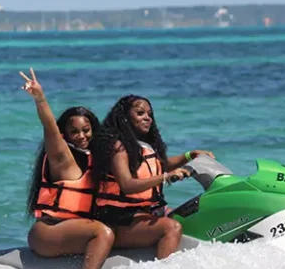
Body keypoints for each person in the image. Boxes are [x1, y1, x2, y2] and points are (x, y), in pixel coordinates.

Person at [91, 94, 214, 260]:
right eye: (140, 113)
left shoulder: (142, 145)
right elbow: (127, 185)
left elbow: (161, 166)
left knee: (186, 215)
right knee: (172, 227)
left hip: (142, 214)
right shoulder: (118, 147)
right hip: (118, 220)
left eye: (149, 114)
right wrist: (165, 177)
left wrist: (189, 155)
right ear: (125, 117)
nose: (147, 118)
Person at [21, 68, 114, 269]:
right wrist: (40, 99)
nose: (81, 136)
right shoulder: (62, 160)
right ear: (66, 135)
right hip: (48, 232)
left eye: (86, 130)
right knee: (103, 233)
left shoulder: (97, 162)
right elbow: (50, 129)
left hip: (77, 231)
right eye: (74, 132)